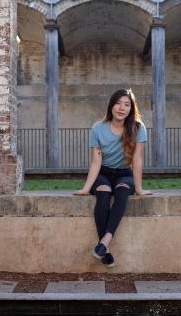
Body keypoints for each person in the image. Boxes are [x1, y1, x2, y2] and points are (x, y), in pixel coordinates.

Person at [73, 89, 152, 268]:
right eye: (118, 103)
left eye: (127, 104)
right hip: (103, 173)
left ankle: (105, 241)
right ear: (111, 105)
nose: (121, 108)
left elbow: (137, 160)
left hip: (124, 173)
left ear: (131, 109)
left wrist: (139, 189)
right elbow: (95, 162)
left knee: (123, 190)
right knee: (104, 191)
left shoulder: (138, 128)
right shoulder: (98, 129)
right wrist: (86, 189)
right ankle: (105, 251)